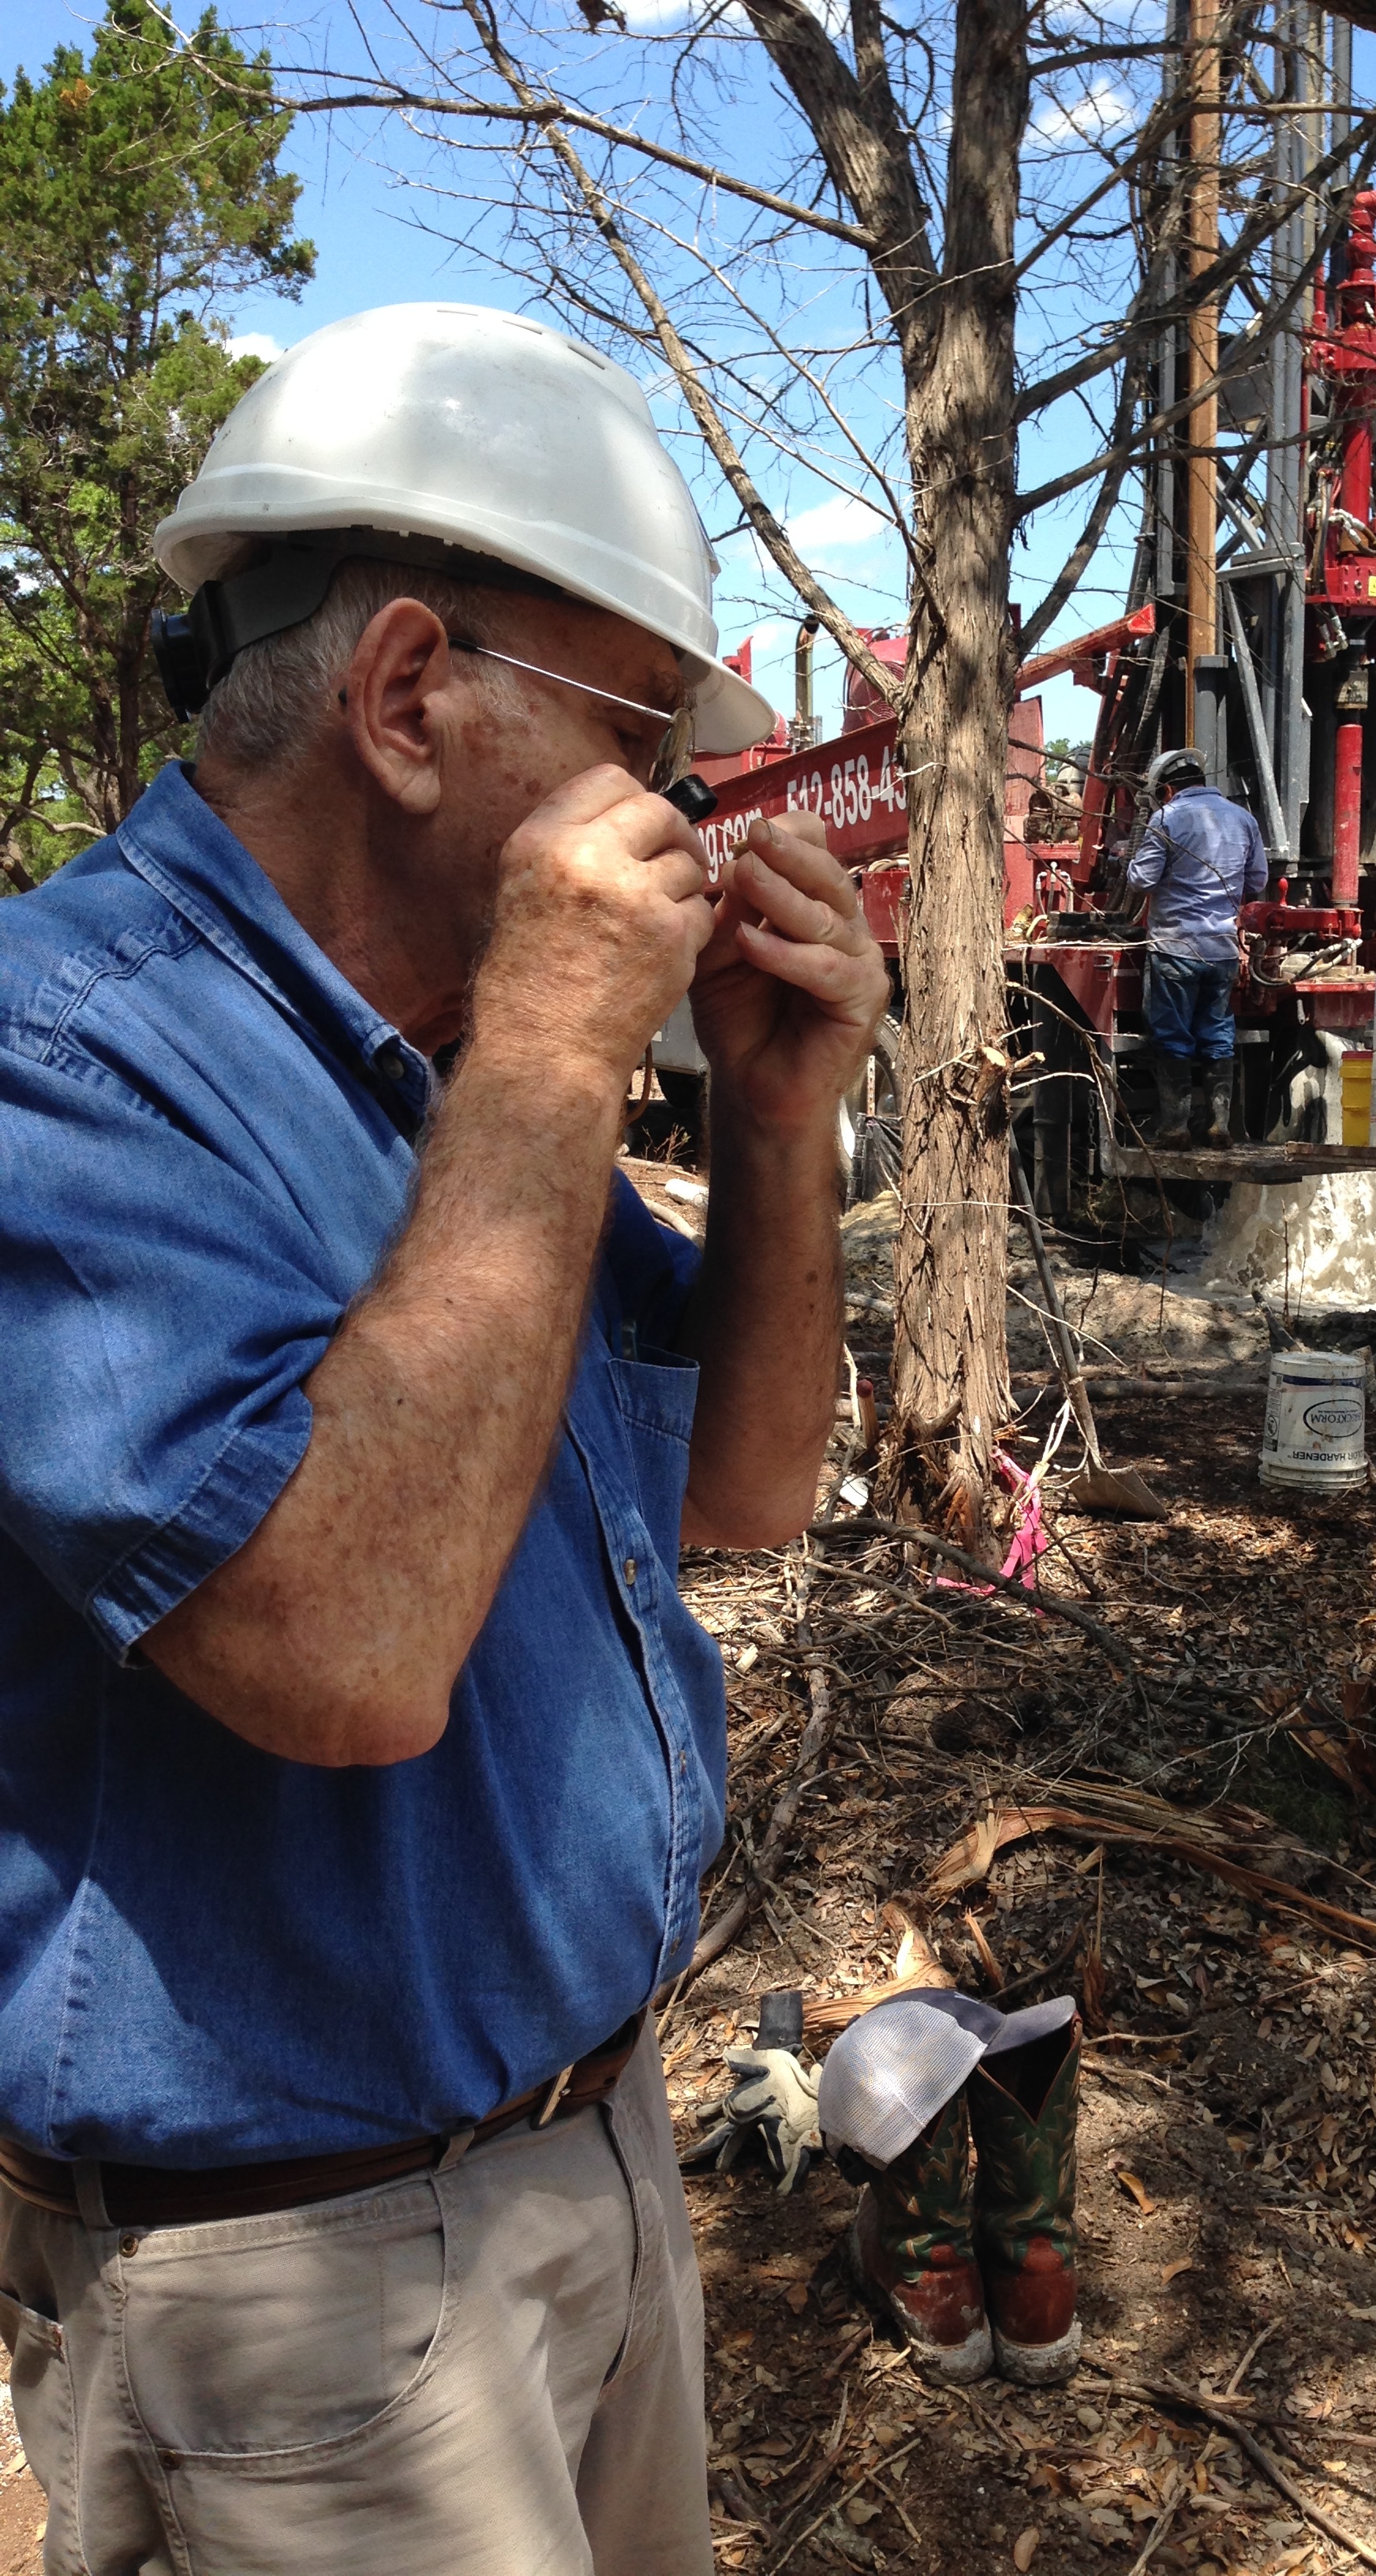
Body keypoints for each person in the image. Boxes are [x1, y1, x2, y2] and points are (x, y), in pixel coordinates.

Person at [0, 303, 888, 2575]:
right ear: (411, 698)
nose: (684, 817)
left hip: (587, 2155)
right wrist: (560, 1044)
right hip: (303, 2282)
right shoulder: (71, 1072)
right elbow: (348, 1652)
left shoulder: (454, 1065)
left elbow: (741, 1492)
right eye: (639, 740)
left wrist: (777, 1117)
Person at [1125, 750, 1268, 1147]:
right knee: (1218, 1033)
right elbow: (1257, 879)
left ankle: (1174, 1127)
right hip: (1223, 950)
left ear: (1168, 789)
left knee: (1172, 1036)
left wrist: (1127, 858)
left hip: (1176, 947)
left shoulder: (1167, 818)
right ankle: (1219, 1125)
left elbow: (1142, 880)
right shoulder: (1243, 819)